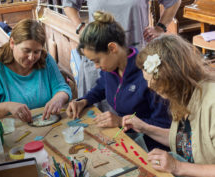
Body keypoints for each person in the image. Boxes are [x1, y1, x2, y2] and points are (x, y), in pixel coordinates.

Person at [123, 34, 215, 177]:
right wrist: (145, 127)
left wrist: (177, 166)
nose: (148, 87)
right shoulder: (184, 94)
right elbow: (186, 141)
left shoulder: (212, 102)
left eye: (152, 81)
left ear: (171, 76)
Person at [66, 11, 171, 151]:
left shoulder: (149, 73)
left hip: (151, 148)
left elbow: (163, 125)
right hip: (127, 139)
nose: (97, 66)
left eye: (97, 61)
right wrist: (84, 101)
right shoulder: (111, 69)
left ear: (112, 48)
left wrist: (121, 122)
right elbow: (101, 88)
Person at [63, 0, 181, 111]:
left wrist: (160, 28)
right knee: (96, 114)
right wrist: (81, 28)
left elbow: (173, 2)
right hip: (99, 55)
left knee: (137, 110)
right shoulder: (99, 65)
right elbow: (68, 4)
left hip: (136, 61)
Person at [0, 19, 72, 122]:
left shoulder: (45, 59)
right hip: (13, 133)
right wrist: (7, 107)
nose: (31, 57)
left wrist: (58, 98)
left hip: (47, 126)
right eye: (26, 51)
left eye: (37, 51)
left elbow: (62, 87)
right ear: (12, 43)